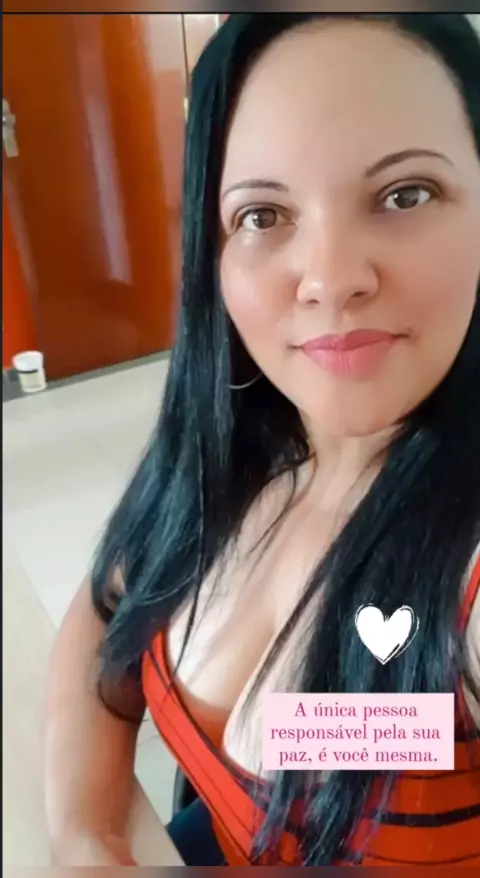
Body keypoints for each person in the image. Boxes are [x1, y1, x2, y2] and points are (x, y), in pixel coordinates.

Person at [45, 12, 480, 867]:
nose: (331, 280)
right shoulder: (236, 447)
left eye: (405, 195)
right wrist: (88, 834)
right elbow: (105, 608)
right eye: (263, 213)